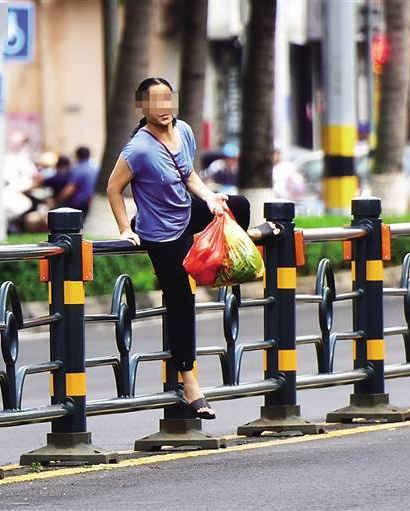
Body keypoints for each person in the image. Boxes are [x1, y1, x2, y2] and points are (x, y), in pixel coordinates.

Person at [105, 77, 279, 420]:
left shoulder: (183, 130)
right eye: (155, 102)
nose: (163, 109)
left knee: (238, 205)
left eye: (168, 100)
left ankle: (227, 251)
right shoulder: (138, 149)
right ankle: (190, 385)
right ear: (143, 108)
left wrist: (210, 198)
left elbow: (188, 175)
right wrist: (125, 229)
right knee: (183, 304)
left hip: (186, 214)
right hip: (160, 234)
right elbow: (113, 188)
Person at [48, 146, 99, 217]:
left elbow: (70, 189)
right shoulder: (96, 168)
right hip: (92, 203)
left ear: (77, 156)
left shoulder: (77, 169)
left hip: (77, 205)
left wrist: (57, 200)